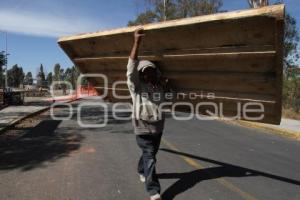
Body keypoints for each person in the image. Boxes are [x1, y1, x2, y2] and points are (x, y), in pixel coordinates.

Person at [126, 27, 170, 200]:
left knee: (149, 156)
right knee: (150, 157)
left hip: (158, 129)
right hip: (142, 129)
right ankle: (153, 191)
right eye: (144, 72)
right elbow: (130, 70)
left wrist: (166, 87)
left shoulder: (159, 88)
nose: (148, 74)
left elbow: (171, 98)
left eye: (151, 71)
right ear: (141, 75)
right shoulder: (136, 88)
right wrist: (137, 42)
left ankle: (141, 169)